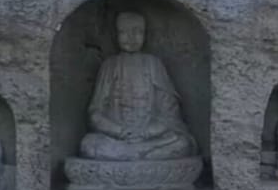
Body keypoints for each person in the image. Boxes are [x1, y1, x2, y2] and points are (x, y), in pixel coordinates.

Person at [80, 11, 197, 161]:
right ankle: (141, 155)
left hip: (150, 137)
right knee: (88, 144)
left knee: (182, 143)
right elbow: (95, 114)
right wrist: (119, 131)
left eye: (138, 32)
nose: (131, 38)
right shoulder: (109, 66)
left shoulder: (153, 64)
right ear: (116, 34)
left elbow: (170, 114)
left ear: (145, 34)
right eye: (124, 32)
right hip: (117, 138)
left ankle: (131, 156)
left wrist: (148, 132)